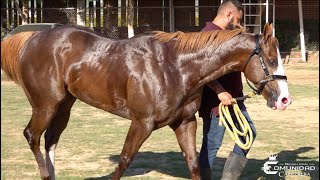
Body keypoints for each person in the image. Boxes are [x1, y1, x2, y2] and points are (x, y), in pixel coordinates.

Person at [198, 0, 257, 180]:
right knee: (212, 145)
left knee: (249, 133)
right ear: (229, 15)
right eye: (237, 19)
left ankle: (229, 177)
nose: (239, 23)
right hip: (217, 103)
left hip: (236, 101)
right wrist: (219, 91)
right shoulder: (207, 36)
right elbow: (201, 69)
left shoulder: (228, 35)